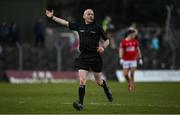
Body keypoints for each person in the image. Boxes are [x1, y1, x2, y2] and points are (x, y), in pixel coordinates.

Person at [46, 9, 113, 110]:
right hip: (84, 57)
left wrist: (103, 47)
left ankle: (106, 88)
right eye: (89, 14)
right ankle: (80, 103)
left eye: (92, 14)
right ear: (84, 16)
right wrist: (52, 17)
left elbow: (107, 40)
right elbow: (65, 23)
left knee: (99, 82)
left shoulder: (97, 27)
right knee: (82, 80)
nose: (91, 16)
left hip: (95, 57)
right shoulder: (79, 26)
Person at [119, 27, 143, 91]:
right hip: (126, 60)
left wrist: (140, 58)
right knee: (125, 74)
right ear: (130, 34)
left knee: (132, 74)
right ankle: (129, 82)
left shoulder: (135, 41)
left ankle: (131, 86)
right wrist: (121, 58)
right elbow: (121, 50)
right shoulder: (124, 42)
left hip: (133, 60)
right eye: (133, 34)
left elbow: (138, 50)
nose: (135, 35)